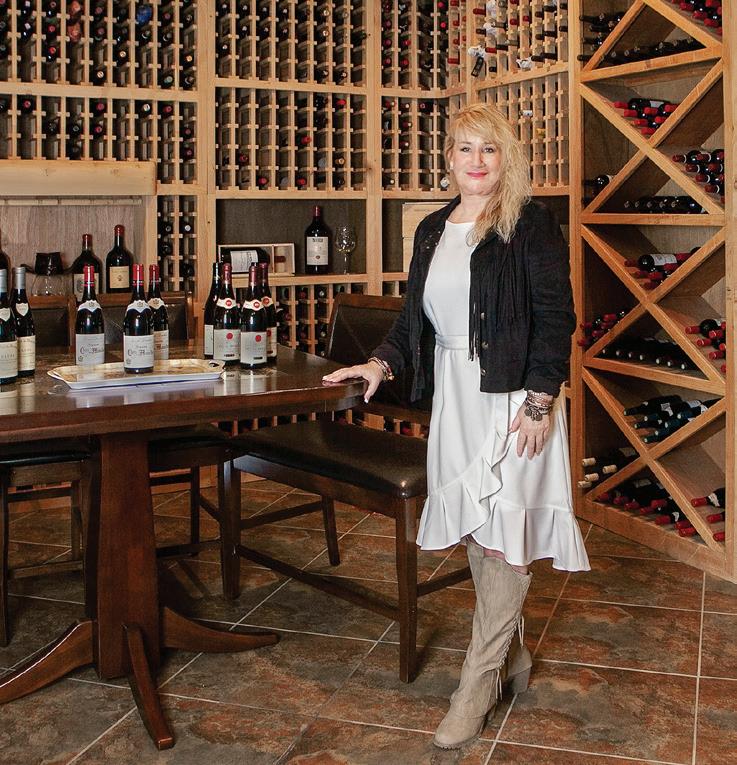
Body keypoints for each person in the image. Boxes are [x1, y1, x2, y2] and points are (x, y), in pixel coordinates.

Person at [322, 102, 590, 749]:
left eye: (489, 149)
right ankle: (510, 652)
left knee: (504, 535)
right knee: (476, 524)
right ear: (448, 159)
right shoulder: (432, 229)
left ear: (506, 159)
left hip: (513, 397)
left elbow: (556, 316)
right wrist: (380, 362)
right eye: (465, 148)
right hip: (456, 399)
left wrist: (539, 400)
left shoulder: (528, 224)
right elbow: (412, 320)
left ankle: (476, 681)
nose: (476, 160)